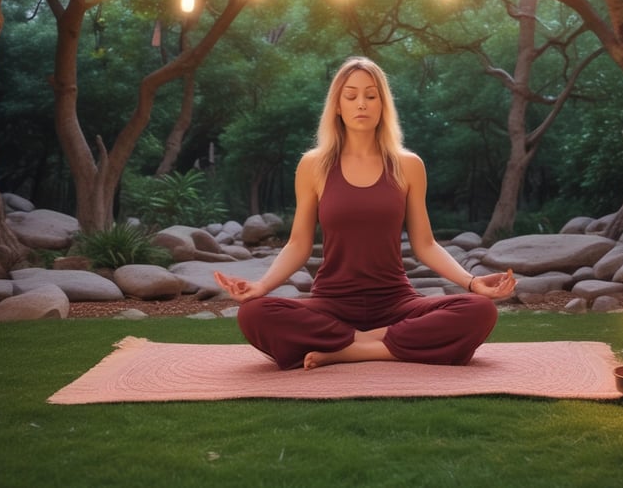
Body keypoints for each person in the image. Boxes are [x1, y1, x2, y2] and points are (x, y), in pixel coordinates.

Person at [214, 56, 515, 370]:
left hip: (396, 303)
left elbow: (425, 244)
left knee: (480, 310)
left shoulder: (408, 165)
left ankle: (350, 349)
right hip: (332, 304)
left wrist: (471, 283)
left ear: (383, 105)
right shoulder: (313, 166)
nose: (361, 104)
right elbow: (298, 245)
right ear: (337, 106)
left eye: (371, 96)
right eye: (351, 96)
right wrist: (261, 287)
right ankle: (385, 344)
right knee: (253, 313)